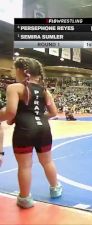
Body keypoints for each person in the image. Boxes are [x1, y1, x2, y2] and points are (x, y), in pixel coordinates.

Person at [0, 57, 62, 209]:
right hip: (44, 129)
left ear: (21, 71)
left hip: (24, 131)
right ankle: (55, 190)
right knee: (47, 161)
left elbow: (10, 112)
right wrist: (38, 117)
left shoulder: (15, 87)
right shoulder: (45, 90)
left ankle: (25, 199)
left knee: (25, 166)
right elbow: (54, 112)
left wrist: (20, 118)